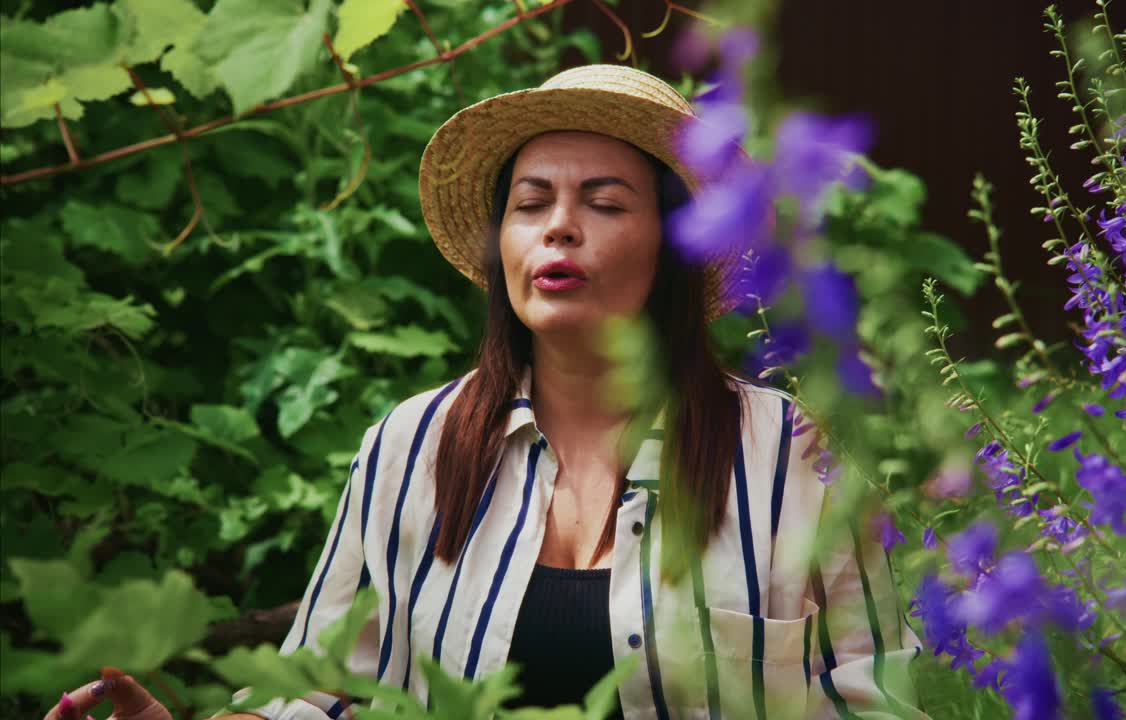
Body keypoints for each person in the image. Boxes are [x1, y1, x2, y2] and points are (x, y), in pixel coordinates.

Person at [45, 64, 925, 720]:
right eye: (531, 202)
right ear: (502, 244)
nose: (560, 227)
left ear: (674, 243)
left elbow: (880, 694)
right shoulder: (412, 445)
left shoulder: (793, 457)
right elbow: (325, 694)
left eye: (606, 203)